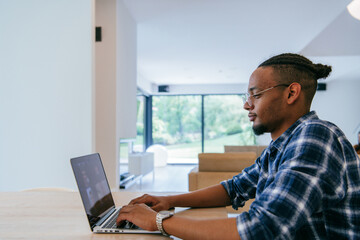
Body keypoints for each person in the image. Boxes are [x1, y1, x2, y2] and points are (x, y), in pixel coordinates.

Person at [116, 53, 360, 239]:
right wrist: (169, 201)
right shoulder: (282, 146)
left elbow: (262, 228)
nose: (247, 105)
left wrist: (158, 222)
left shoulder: (316, 137)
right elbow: (235, 188)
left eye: (256, 95)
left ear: (291, 93)